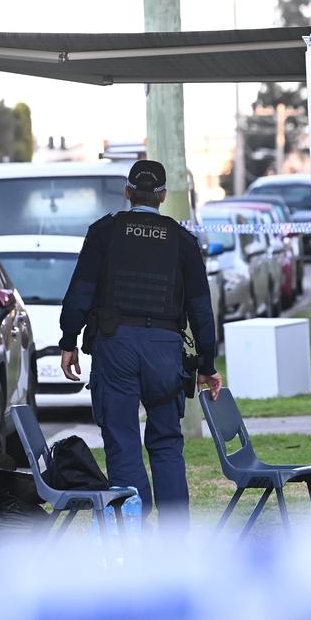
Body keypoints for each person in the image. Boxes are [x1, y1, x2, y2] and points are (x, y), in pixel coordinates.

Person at [58, 160, 223, 527]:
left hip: (115, 347)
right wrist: (207, 365)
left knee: (122, 440)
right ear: (163, 196)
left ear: (128, 192)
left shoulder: (103, 232)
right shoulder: (183, 241)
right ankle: (176, 535)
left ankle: (134, 526)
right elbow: (201, 309)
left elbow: (80, 292)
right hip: (165, 351)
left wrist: (69, 339)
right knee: (166, 443)